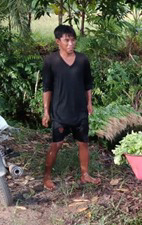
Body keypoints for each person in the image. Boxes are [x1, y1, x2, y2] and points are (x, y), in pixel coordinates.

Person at [42, 25, 100, 190]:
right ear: (58, 41)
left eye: (73, 40)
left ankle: (85, 174)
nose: (70, 43)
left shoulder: (82, 60)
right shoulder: (51, 61)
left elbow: (88, 84)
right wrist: (46, 112)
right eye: (66, 40)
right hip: (60, 112)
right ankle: (47, 176)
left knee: (83, 143)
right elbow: (47, 88)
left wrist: (89, 103)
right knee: (56, 144)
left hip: (80, 111)